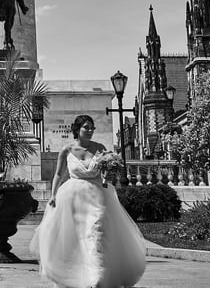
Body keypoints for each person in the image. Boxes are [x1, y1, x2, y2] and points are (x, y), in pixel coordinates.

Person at [29, 115, 147, 287]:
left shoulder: (100, 149)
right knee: (77, 237)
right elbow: (58, 175)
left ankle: (97, 277)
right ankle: (78, 275)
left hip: (97, 195)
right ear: (77, 130)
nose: (90, 130)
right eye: (86, 127)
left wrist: (110, 172)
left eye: (92, 127)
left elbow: (107, 175)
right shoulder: (66, 150)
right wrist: (53, 195)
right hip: (73, 197)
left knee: (96, 231)